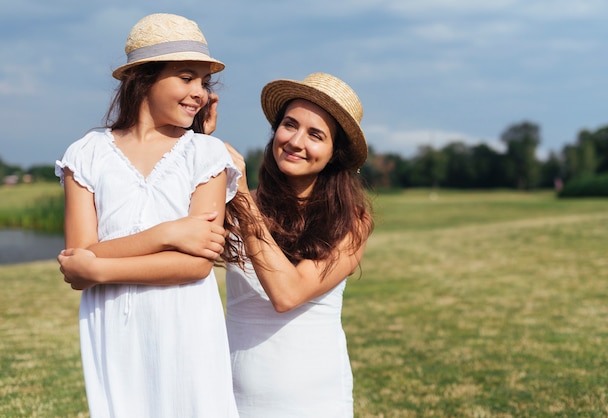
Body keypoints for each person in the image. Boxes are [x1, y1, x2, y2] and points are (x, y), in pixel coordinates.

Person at [55, 13, 240, 417]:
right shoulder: (86, 155)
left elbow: (194, 266)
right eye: (187, 77)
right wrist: (168, 233)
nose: (200, 93)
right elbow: (78, 256)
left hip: (186, 327)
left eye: (205, 83)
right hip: (113, 328)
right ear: (143, 78)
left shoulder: (205, 154)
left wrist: (100, 269)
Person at [222, 72, 374, 417]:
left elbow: (287, 294)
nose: (295, 141)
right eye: (289, 125)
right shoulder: (236, 207)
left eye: (316, 135)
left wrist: (242, 197)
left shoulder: (353, 221)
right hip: (231, 396)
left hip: (315, 401)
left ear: (335, 154)